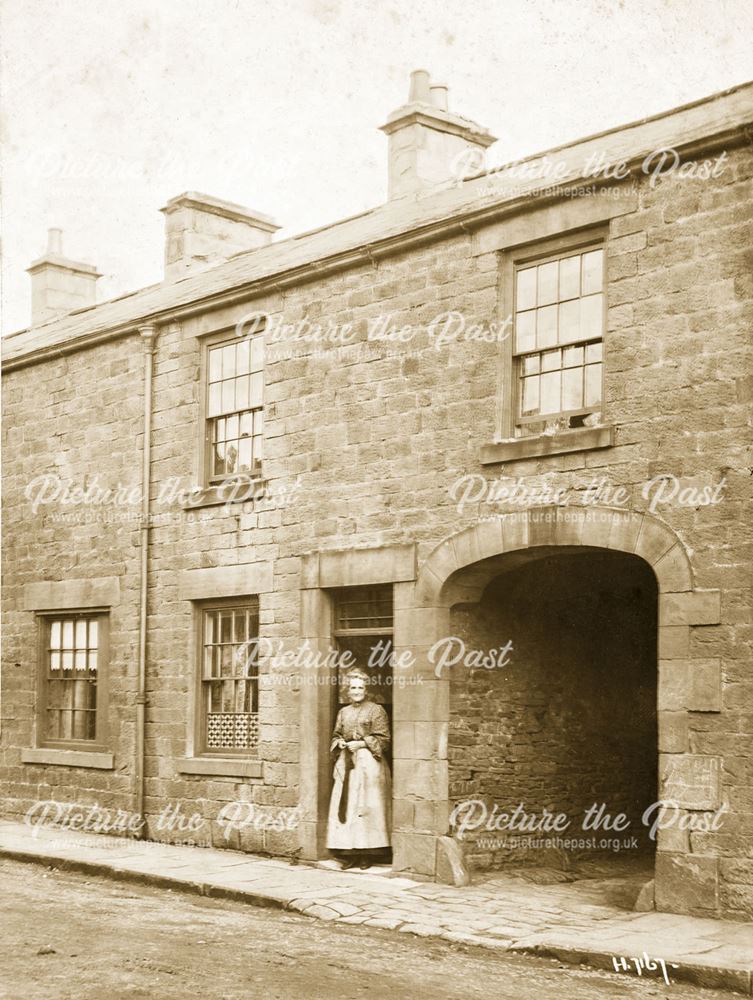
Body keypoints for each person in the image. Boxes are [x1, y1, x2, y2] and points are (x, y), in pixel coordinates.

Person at [326, 668, 391, 870]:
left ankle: (368, 855)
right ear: (348, 690)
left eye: (360, 687)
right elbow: (336, 735)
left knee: (368, 807)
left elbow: (385, 740)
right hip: (348, 764)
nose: (356, 691)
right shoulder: (343, 712)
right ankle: (350, 853)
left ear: (366, 689)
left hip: (369, 765)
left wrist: (362, 744)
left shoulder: (376, 710)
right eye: (353, 687)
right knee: (349, 807)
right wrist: (341, 744)